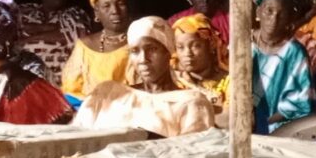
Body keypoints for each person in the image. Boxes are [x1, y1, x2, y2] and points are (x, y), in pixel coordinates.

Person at [79, 18, 218, 137]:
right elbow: (77, 138)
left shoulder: (191, 103)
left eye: (152, 49)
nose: (143, 59)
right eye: (135, 51)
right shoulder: (107, 94)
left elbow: (192, 153)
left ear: (168, 52)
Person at [246, 0, 315, 132]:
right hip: (242, 121)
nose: (274, 18)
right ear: (258, 12)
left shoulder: (294, 52)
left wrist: (264, 123)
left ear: (289, 19)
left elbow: (300, 102)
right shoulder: (244, 43)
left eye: (281, 14)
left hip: (277, 128)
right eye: (269, 10)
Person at [61, 0, 135, 98]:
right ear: (96, 13)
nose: (115, 11)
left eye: (120, 3)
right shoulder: (84, 46)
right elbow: (70, 89)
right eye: (106, 6)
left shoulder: (140, 41)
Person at [16, 0, 89, 82]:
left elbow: (76, 36)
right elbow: (9, 32)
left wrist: (29, 38)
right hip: (24, 81)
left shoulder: (74, 13)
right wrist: (53, 29)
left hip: (60, 81)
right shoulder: (25, 11)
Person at [170, 14, 235, 109]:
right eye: (180, 47)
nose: (187, 53)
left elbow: (232, 115)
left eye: (195, 46)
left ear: (211, 44)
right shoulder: (174, 82)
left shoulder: (230, 81)